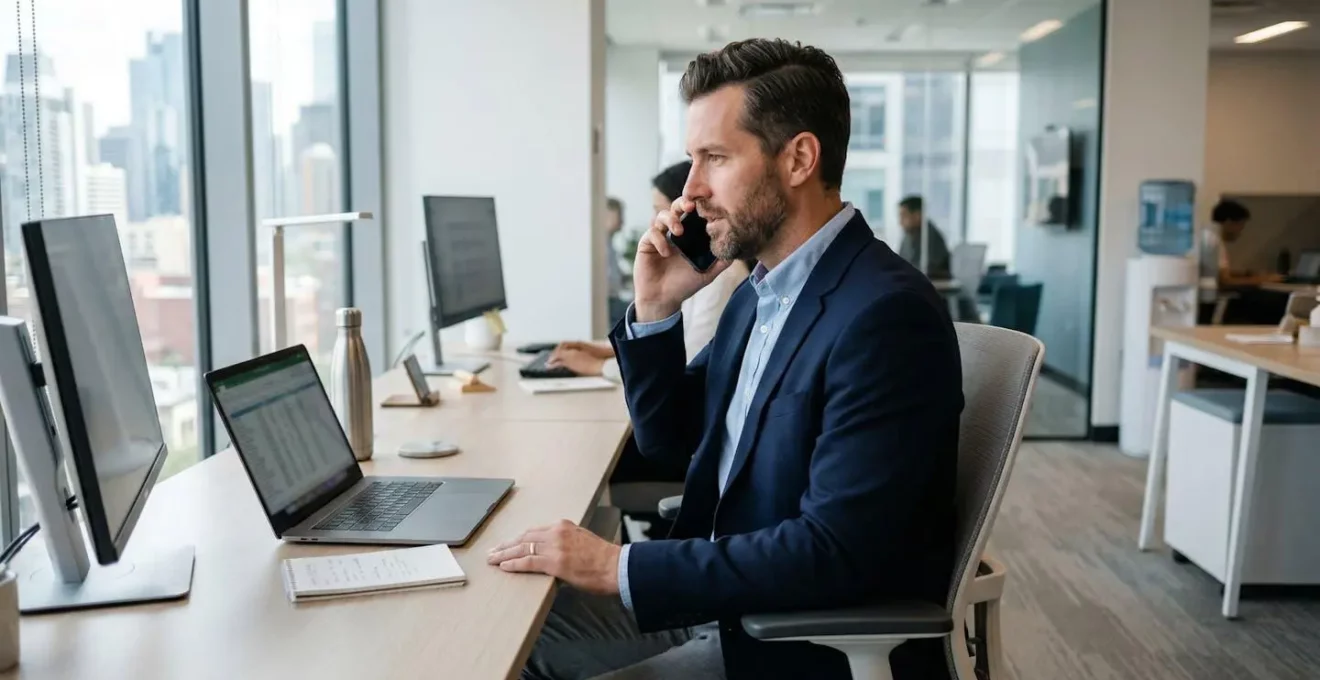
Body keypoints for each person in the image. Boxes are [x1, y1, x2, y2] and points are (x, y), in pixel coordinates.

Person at [488, 38, 962, 680]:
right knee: (506, 630)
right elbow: (670, 441)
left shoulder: (884, 316)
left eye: (714, 158)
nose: (690, 190)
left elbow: (836, 550)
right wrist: (656, 307)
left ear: (798, 158)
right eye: (693, 159)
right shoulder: (759, 294)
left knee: (516, 653)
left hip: (783, 639)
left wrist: (615, 564)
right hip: (716, 599)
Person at [550, 161, 750, 380]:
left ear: (689, 211)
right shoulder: (691, 266)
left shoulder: (722, 274)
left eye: (659, 210)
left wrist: (597, 366)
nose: (653, 221)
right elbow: (674, 349)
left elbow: (690, 361)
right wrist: (606, 350)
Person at [897, 195, 951, 280]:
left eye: (904, 216)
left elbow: (928, 270)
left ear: (917, 215)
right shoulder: (909, 236)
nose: (900, 222)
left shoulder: (930, 237)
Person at [605, 198, 630, 323]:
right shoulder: (600, 246)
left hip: (614, 300)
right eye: (619, 215)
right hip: (608, 302)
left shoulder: (609, 244)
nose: (622, 221)